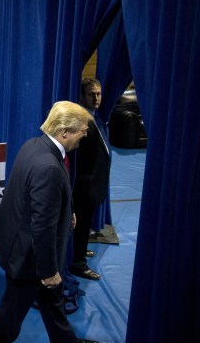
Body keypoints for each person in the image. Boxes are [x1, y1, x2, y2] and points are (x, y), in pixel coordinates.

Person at [0, 101, 98, 343]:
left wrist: (66, 210)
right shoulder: (48, 166)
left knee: (52, 302)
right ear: (64, 131)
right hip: (30, 259)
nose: (86, 133)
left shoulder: (35, 146)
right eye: (83, 129)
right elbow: (42, 226)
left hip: (21, 246)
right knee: (12, 311)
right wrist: (49, 271)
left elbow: (35, 197)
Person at [69, 78, 111, 281]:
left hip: (92, 184)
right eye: (91, 94)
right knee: (81, 223)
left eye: (99, 94)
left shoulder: (95, 117)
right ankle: (77, 262)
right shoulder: (82, 122)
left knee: (85, 225)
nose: (96, 98)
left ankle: (80, 250)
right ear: (81, 96)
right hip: (84, 186)